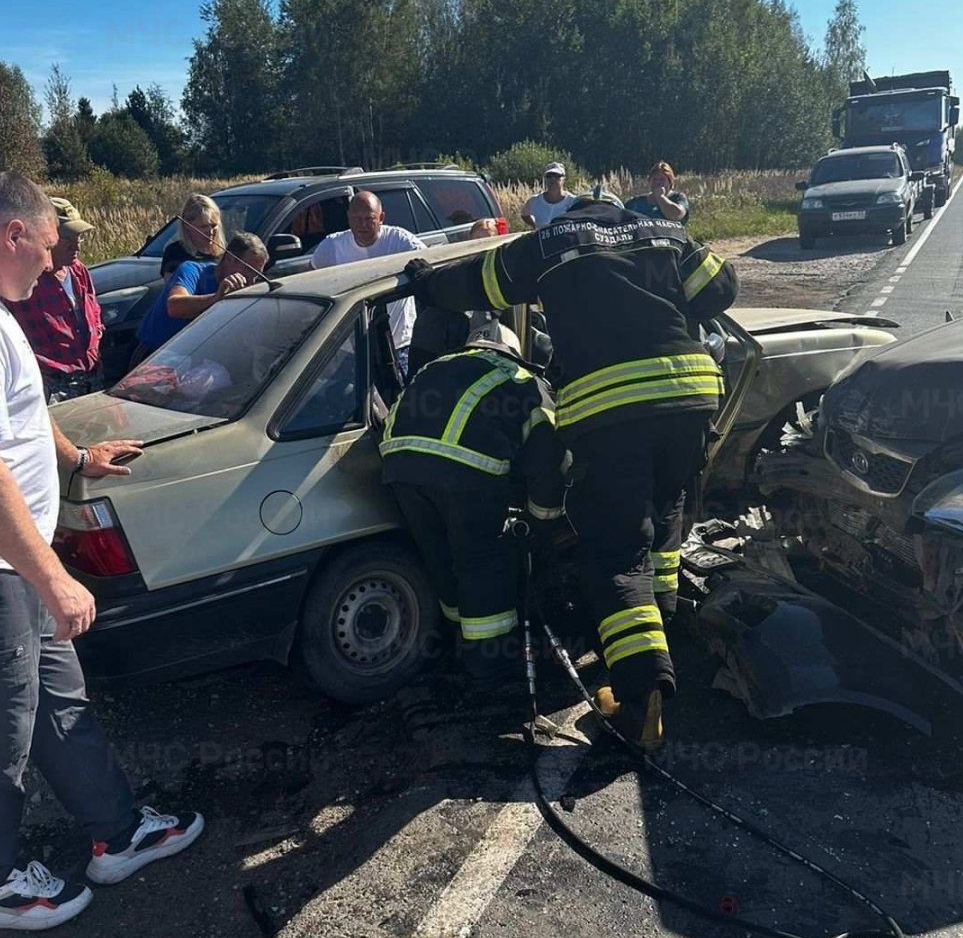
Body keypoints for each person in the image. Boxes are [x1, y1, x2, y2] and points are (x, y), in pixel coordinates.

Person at [0, 171, 204, 931]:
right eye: (46, 249)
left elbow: (19, 414)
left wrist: (75, 461)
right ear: (11, 235)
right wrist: (54, 578)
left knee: (59, 703)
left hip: (5, 560)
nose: (55, 266)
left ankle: (117, 830)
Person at [405, 186, 738, 751]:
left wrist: (425, 283)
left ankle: (639, 700)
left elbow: (475, 285)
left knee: (616, 555)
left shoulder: (550, 241)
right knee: (661, 525)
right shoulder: (662, 232)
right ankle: (665, 632)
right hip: (691, 400)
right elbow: (722, 291)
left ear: (571, 213)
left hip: (613, 415)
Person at [380, 313, 565, 687]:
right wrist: (543, 521)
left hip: (399, 468)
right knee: (481, 562)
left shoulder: (439, 364)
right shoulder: (522, 381)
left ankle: (456, 640)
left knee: (441, 558)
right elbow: (548, 459)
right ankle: (489, 662)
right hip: (465, 474)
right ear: (515, 352)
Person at [310, 191, 425, 374]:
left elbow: (428, 269)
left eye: (368, 218)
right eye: (356, 218)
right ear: (348, 217)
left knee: (400, 397)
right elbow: (313, 283)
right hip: (351, 347)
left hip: (397, 342)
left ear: (381, 218)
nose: (362, 224)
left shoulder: (401, 242)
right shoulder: (332, 247)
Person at [5, 197, 104, 402]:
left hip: (91, 378)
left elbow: (94, 314)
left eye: (79, 238)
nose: (76, 246)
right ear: (46, 238)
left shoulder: (78, 270)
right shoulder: (25, 278)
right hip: (51, 386)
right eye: (67, 239)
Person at [132, 232, 271, 363]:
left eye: (257, 275)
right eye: (248, 270)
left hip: (191, 358)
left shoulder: (244, 290)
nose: (251, 281)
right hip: (154, 355)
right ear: (230, 258)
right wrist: (217, 298)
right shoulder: (193, 271)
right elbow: (174, 306)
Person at [159, 192, 226, 272]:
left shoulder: (225, 255)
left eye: (214, 225)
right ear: (187, 225)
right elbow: (172, 282)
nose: (210, 231)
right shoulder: (175, 253)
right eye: (203, 227)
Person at [520, 162, 575, 229]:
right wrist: (535, 226)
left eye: (556, 176)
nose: (552, 179)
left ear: (563, 178)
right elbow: (524, 215)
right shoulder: (534, 201)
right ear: (545, 178)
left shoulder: (573, 201)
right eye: (549, 176)